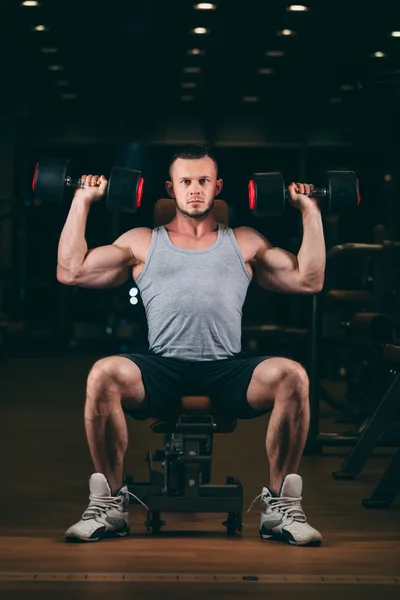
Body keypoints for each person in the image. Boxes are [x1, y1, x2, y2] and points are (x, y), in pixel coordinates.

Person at [57, 145, 325, 546]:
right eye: (186, 182)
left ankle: (282, 510)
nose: (195, 190)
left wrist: (310, 211)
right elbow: (70, 271)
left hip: (229, 369)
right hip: (160, 368)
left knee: (293, 376)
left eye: (203, 181)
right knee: (103, 375)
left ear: (217, 187)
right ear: (171, 188)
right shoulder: (143, 242)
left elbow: (309, 280)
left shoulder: (245, 242)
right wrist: (81, 200)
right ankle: (109, 506)